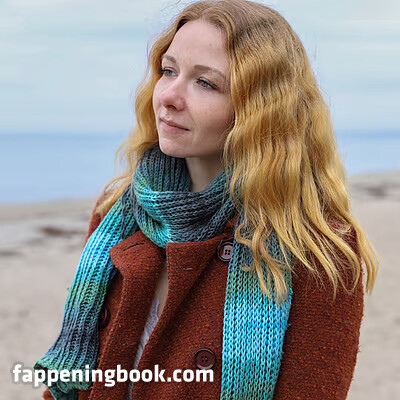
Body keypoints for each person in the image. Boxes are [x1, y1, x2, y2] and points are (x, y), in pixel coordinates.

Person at [35, 0, 379, 399]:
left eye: (205, 83)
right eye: (168, 71)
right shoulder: (118, 211)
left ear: (260, 111)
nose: (168, 96)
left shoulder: (317, 251)